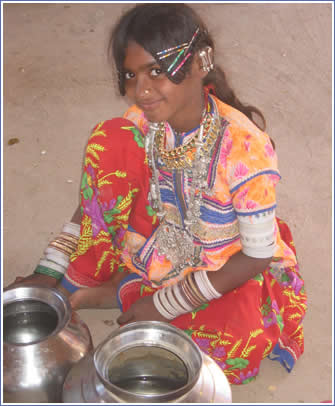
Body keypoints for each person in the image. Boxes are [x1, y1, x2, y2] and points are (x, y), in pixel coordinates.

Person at [8, 3, 307, 384]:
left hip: (223, 261)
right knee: (110, 142)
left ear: (201, 62)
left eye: (157, 71)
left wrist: (167, 303)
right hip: (156, 240)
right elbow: (97, 201)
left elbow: (257, 256)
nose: (141, 89)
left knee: (232, 343)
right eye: (131, 74)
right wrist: (51, 269)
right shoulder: (139, 122)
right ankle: (94, 285)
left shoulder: (247, 148)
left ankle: (120, 288)